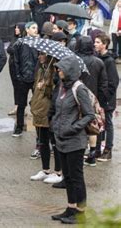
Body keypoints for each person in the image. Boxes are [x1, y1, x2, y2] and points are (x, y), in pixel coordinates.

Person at [49, 55, 95, 225]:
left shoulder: (79, 88)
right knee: (67, 177)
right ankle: (70, 208)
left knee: (76, 177)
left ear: (69, 70)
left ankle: (81, 212)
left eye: (60, 68)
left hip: (75, 141)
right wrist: (54, 124)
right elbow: (59, 110)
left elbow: (89, 114)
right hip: (61, 139)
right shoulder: (62, 86)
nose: (58, 70)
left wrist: (73, 127)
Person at [29, 53, 63, 184]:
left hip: (48, 111)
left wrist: (46, 86)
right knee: (42, 142)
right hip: (39, 110)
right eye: (38, 54)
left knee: (54, 143)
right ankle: (45, 169)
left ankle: (58, 171)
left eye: (42, 54)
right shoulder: (41, 69)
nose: (39, 56)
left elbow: (55, 93)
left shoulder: (55, 71)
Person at [76, 36, 108, 166]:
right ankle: (93, 154)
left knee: (79, 125)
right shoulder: (99, 62)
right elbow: (103, 83)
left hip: (78, 97)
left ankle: (80, 154)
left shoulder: (76, 61)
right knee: (92, 126)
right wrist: (101, 101)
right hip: (94, 98)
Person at [94, 33, 119, 161]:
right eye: (95, 42)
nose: (95, 44)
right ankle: (97, 150)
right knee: (99, 124)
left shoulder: (109, 60)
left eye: (98, 42)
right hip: (99, 98)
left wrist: (106, 96)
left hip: (107, 100)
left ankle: (108, 150)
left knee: (108, 124)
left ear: (104, 44)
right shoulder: (97, 57)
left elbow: (114, 81)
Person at [12, 21, 39, 137]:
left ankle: (39, 127)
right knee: (21, 104)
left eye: (36, 28)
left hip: (35, 79)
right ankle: (19, 126)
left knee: (37, 104)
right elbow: (15, 61)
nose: (35, 30)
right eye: (33, 28)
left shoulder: (39, 43)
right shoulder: (20, 43)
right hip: (22, 78)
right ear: (27, 30)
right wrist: (18, 76)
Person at [6, 22, 26, 116]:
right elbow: (9, 49)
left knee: (21, 87)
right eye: (15, 27)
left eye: (18, 28)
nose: (16, 29)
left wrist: (14, 50)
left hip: (20, 67)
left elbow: (17, 51)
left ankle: (21, 107)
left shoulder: (24, 40)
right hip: (12, 66)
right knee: (15, 86)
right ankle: (16, 106)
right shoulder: (14, 38)